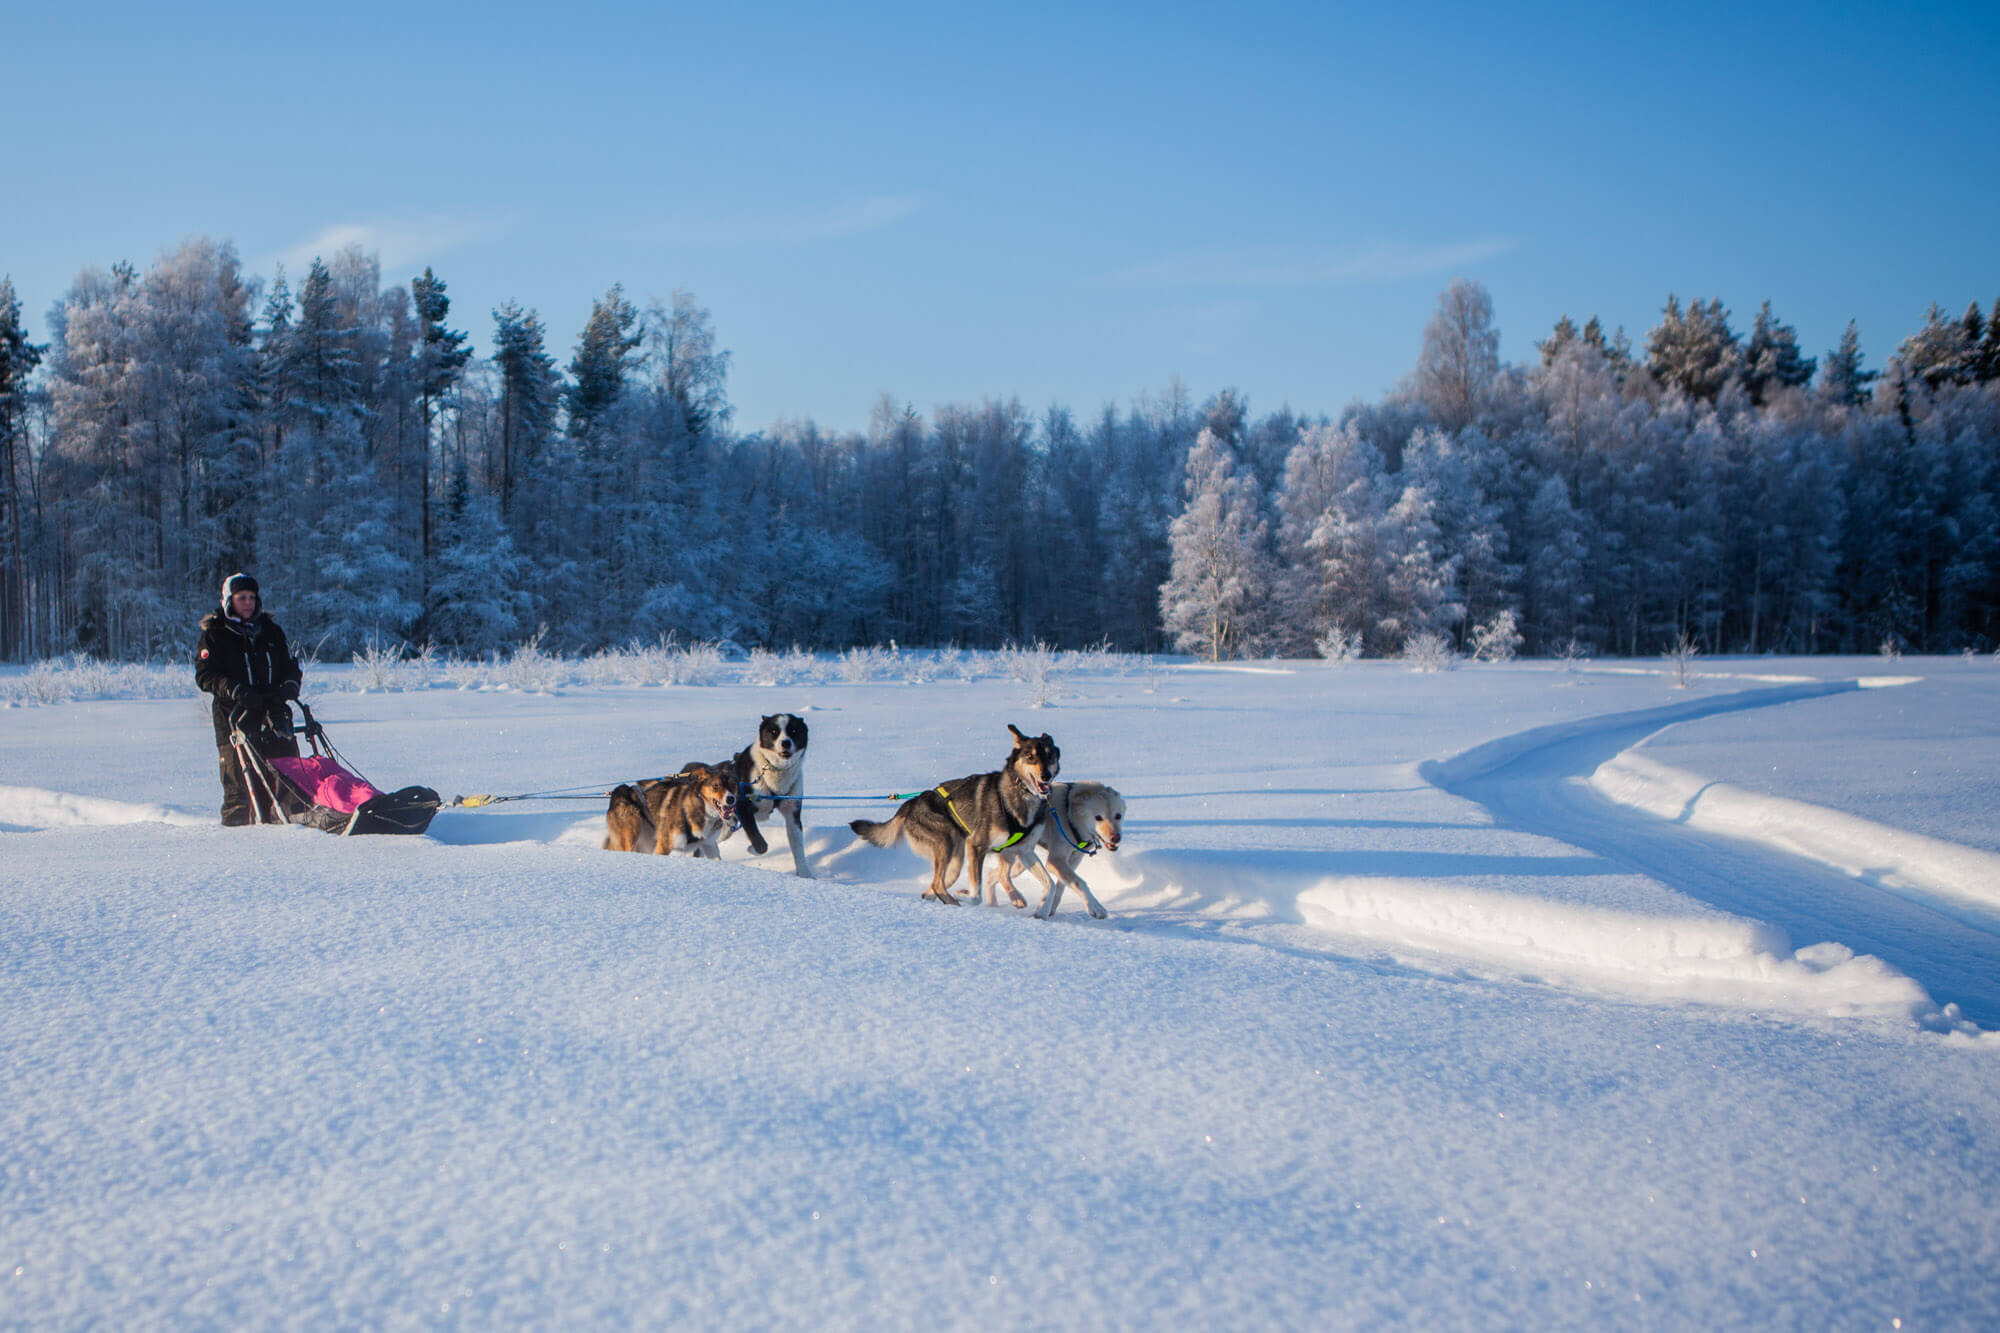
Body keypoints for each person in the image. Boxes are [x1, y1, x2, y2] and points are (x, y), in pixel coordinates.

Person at [195, 573, 304, 825]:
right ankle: (236, 846)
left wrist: (290, 684)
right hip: (234, 719)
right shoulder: (216, 634)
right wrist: (234, 689)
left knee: (288, 782)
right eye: (241, 597)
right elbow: (205, 675)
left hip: (273, 714)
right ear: (228, 601)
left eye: (252, 597)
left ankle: (291, 835)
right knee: (240, 794)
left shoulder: (271, 631)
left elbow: (289, 665)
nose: (248, 603)